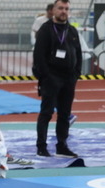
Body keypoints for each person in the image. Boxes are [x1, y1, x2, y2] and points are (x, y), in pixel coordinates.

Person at [33, 0, 81, 158]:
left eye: (66, 8)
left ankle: (62, 146)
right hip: (51, 78)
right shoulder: (46, 29)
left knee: (65, 114)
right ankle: (41, 146)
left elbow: (78, 54)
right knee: (46, 113)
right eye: (60, 8)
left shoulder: (72, 31)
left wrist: (75, 75)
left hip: (68, 79)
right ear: (53, 10)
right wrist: (46, 76)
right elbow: (38, 55)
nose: (64, 11)